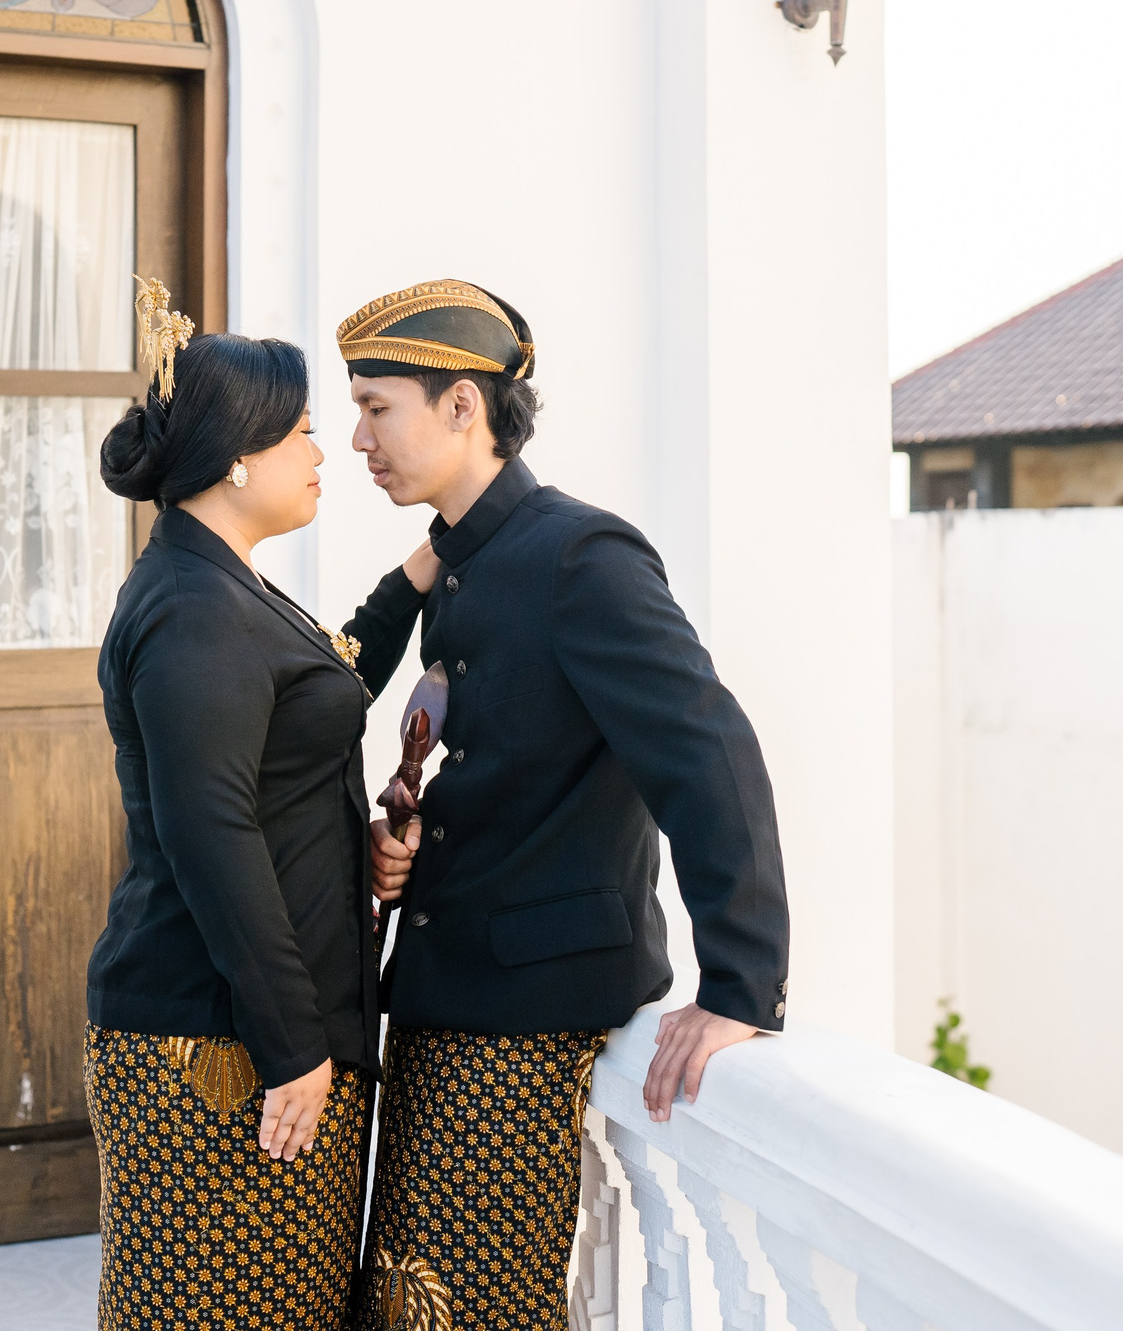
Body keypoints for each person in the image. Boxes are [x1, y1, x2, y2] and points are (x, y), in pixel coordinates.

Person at [336, 278, 790, 1331]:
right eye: (355, 410)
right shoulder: (465, 561)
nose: (361, 436)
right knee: (409, 1304)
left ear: (462, 407)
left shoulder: (578, 553)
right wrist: (411, 844)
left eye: (377, 406)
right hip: (451, 994)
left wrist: (742, 980)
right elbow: (500, 764)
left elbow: (706, 752)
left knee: (463, 1310)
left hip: (529, 1014)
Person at [83, 280, 430, 1330]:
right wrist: (291, 1046)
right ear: (239, 455)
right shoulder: (192, 609)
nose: (327, 453)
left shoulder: (225, 581)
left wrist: (423, 566)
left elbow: (328, 683)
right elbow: (212, 833)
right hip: (221, 1049)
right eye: (307, 434)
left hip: (263, 1035)